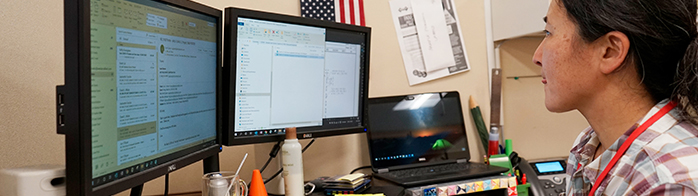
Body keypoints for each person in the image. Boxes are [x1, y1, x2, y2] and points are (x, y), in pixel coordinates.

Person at [532, 0, 698, 195]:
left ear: (610, 51)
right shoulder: (589, 144)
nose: (537, 56)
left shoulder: (666, 182)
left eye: (549, 32)